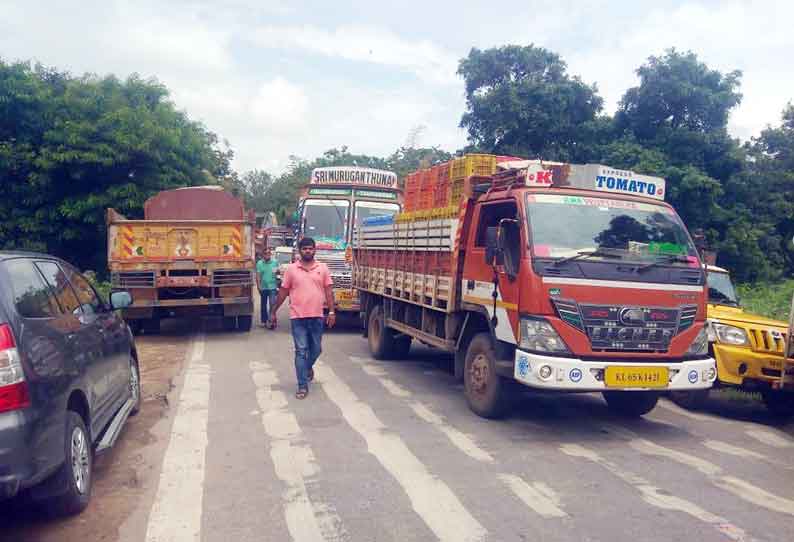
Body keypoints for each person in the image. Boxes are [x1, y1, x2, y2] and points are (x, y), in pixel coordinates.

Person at [271, 237, 335, 399]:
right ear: (300, 251)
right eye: (305, 248)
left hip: (317, 317)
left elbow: (328, 291)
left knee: (316, 349)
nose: (308, 251)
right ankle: (302, 386)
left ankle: (307, 367)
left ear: (315, 250)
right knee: (301, 351)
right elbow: (284, 292)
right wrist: (273, 311)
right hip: (298, 317)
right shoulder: (292, 270)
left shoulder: (323, 268)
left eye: (310, 248)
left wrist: (332, 312)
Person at [255, 247, 279, 328]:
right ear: (263, 255)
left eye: (269, 253)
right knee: (263, 305)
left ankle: (272, 320)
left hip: (272, 287)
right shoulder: (259, 263)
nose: (267, 255)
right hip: (263, 287)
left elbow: (276, 274)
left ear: (270, 254)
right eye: (265, 253)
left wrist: (278, 285)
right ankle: (264, 321)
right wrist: (258, 286)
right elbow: (258, 276)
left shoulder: (275, 262)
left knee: (273, 304)